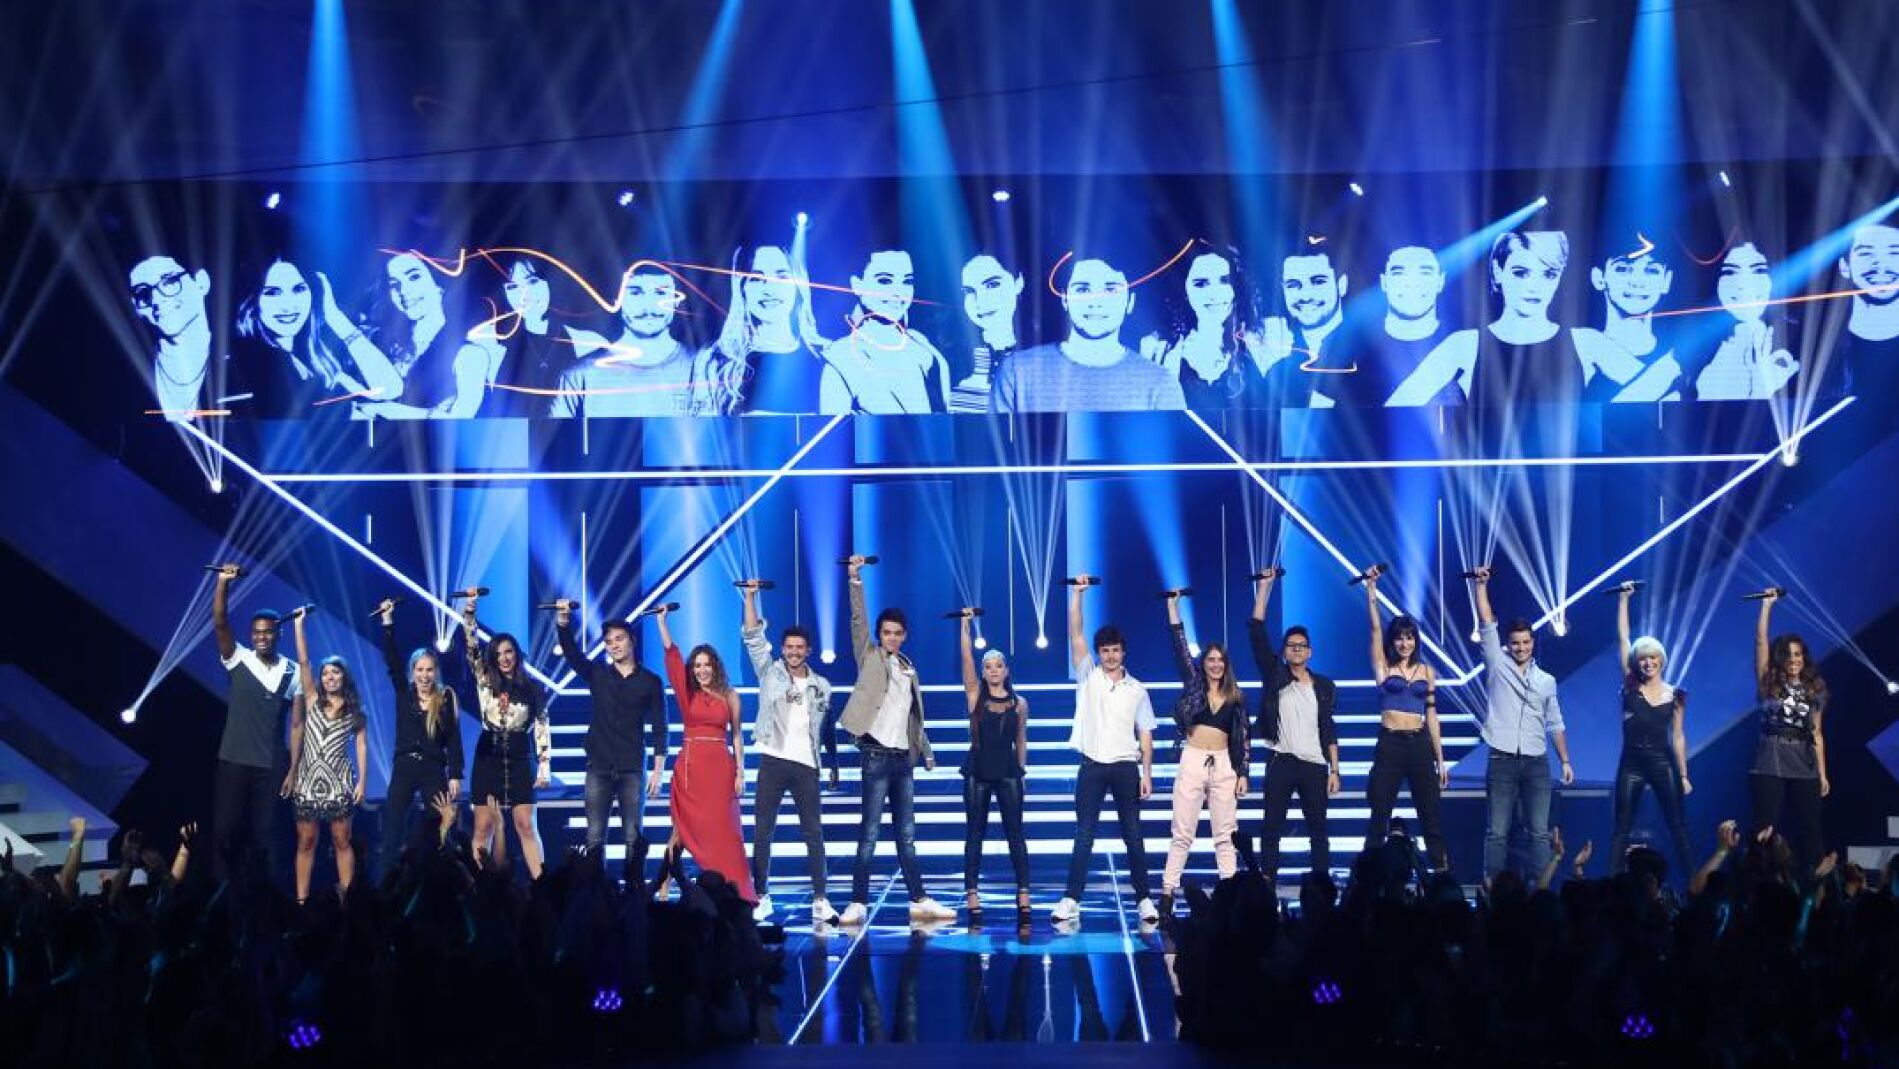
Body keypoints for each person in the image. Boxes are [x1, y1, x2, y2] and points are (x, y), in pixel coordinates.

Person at [834, 557, 954, 924]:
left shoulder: (908, 667)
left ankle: (918, 898)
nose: (892, 637)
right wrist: (854, 579)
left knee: (907, 834)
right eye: (886, 632)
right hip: (875, 756)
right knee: (869, 833)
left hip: (903, 759)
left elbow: (913, 716)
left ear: (904, 635)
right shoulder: (869, 657)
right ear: (879, 634)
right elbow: (857, 620)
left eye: (897, 633)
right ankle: (858, 902)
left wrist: (926, 752)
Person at [1051, 576, 1159, 925]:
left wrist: (1147, 774)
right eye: (1105, 651)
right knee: (1084, 835)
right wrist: (1077, 595)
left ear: (1124, 652)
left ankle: (1144, 899)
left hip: (1126, 767)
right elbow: (1075, 633)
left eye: (1115, 650)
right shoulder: (1089, 676)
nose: (1110, 656)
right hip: (1092, 766)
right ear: (1099, 654)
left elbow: (1146, 732)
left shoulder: (1137, 689)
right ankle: (1071, 899)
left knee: (1133, 836)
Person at [1388, 231, 1580, 408]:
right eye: (1521, 273)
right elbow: (1401, 401)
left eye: (1549, 274)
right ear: (1498, 271)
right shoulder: (1464, 344)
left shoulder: (1582, 341)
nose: (1534, 287)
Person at [739, 581, 838, 923]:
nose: (794, 652)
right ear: (782, 649)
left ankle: (820, 900)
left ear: (808, 650)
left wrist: (833, 764)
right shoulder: (770, 673)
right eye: (789, 647)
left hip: (807, 765)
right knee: (763, 832)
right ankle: (762, 896)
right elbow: (753, 637)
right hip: (773, 761)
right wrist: (750, 597)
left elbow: (827, 728)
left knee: (814, 834)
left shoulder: (821, 685)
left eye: (800, 647)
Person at [1467, 566, 1573, 882]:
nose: (1521, 648)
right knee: (1497, 831)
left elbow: (1555, 722)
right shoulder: (1497, 664)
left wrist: (1565, 760)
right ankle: (1493, 891)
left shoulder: (1546, 681)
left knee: (1539, 831)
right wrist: (1481, 587)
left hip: (1536, 761)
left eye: (1525, 642)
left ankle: (1540, 890)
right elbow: (1487, 623)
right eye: (1515, 643)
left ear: (1533, 642)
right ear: (1508, 644)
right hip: (1502, 758)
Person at [554, 600, 666, 880]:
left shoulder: (650, 682)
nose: (614, 645)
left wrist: (658, 769)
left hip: (632, 767)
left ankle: (633, 892)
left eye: (619, 639)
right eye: (608, 641)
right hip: (599, 765)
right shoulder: (598, 674)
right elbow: (572, 655)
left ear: (631, 640)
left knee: (633, 836)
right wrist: (563, 623)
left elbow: (659, 727)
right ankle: (596, 894)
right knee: (594, 836)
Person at [990, 254, 1186, 414]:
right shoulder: (1016, 372)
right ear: (1065, 299)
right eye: (1083, 289)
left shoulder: (1160, 383)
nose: (1096, 301)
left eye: (1110, 289)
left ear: (1130, 302)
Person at [652, 607, 756, 901]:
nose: (702, 670)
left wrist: (741, 772)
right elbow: (673, 658)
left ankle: (733, 890)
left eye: (707, 664)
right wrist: (662, 622)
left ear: (715, 666)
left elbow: (737, 736)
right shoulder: (687, 693)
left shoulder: (730, 696)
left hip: (721, 770)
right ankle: (662, 888)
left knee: (727, 831)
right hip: (691, 769)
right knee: (680, 832)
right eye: (697, 665)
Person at [1158, 591, 1247, 919]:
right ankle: (1167, 893)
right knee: (1182, 832)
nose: (1215, 664)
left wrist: (1243, 771)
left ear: (1226, 664)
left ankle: (1230, 895)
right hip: (1194, 759)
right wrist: (1173, 608)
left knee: (1225, 834)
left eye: (1220, 660)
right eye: (1210, 659)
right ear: (1204, 663)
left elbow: (1243, 737)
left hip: (1224, 764)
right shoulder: (1194, 684)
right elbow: (1179, 647)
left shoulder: (1236, 696)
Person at [209, 563, 300, 879]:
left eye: (268, 632)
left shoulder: (292, 672)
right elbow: (220, 622)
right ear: (251, 635)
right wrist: (223, 583)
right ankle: (223, 892)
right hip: (233, 760)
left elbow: (297, 725)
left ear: (278, 634)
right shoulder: (238, 658)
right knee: (225, 831)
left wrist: (294, 768)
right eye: (257, 632)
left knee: (266, 836)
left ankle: (264, 894)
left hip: (270, 765)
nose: (262, 637)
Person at [1248, 571, 1340, 883]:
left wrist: (1335, 770)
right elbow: (1257, 633)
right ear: (1284, 651)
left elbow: (1328, 728)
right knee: (1271, 827)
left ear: (1310, 651)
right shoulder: (1276, 675)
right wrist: (1265, 588)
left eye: (1302, 646)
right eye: (1291, 645)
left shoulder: (1324, 686)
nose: (1296, 649)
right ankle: (1267, 884)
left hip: (1314, 764)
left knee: (1319, 830)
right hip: (1282, 761)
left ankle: (1322, 886)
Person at [230, 256, 403, 417]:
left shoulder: (316, 357)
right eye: (273, 293)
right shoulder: (249, 366)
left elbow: (389, 389)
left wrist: (335, 317)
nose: (289, 305)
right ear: (253, 299)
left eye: (299, 289)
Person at [1359, 566, 1449, 871]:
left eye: (1409, 638)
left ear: (1416, 641)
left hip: (1420, 745)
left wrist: (1440, 758)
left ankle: (1441, 876)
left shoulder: (1427, 672)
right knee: (1379, 814)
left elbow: (1432, 715)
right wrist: (1371, 590)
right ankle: (1369, 879)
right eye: (1399, 638)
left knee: (1430, 815)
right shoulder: (1384, 667)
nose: (1404, 643)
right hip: (1391, 745)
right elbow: (1374, 630)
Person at [459, 594, 551, 878]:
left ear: (516, 654)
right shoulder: (485, 679)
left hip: (521, 753)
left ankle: (541, 885)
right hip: (489, 754)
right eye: (498, 654)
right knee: (483, 826)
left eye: (508, 652)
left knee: (526, 824)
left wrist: (544, 765)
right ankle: (480, 885)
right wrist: (470, 613)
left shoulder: (533, 688)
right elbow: (471, 646)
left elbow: (542, 724)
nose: (504, 658)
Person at [1609, 583, 1693, 879]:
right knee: (1622, 827)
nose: (1648, 662)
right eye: (1642, 658)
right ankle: (1611, 884)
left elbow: (1678, 736)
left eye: (1652, 658)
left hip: (1662, 761)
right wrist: (1624, 600)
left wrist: (1683, 775)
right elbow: (1623, 638)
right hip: (1631, 763)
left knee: (1677, 825)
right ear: (1637, 662)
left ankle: (1693, 882)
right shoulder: (1630, 687)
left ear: (1661, 660)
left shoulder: (1676, 695)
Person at [282, 609, 367, 903]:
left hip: (338, 782)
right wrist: (299, 625)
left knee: (341, 840)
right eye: (326, 673)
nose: (330, 677)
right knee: (306, 841)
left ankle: (348, 901)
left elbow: (361, 746)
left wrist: (362, 782)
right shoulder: (312, 699)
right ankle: (302, 902)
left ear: (344, 676)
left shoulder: (355, 711)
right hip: (308, 780)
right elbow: (304, 661)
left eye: (335, 672)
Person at [376, 599, 465, 878]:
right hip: (404, 766)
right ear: (412, 672)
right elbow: (392, 661)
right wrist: (388, 623)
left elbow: (453, 738)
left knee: (441, 823)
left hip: (433, 767)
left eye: (429, 670)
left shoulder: (446, 698)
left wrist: (455, 774)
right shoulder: (405, 693)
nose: (425, 675)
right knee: (393, 827)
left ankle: (442, 879)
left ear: (436, 672)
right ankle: (386, 885)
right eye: (420, 670)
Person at [955, 609, 1032, 924]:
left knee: (1016, 833)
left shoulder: (1020, 704)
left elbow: (1021, 740)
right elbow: (966, 659)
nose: (993, 670)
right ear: (983, 672)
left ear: (1006, 670)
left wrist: (1022, 772)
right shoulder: (974, 695)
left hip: (1008, 771)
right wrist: (965, 627)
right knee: (975, 833)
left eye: (998, 665)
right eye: (988, 666)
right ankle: (972, 892)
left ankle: (1023, 891)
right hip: (978, 770)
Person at [1749, 590, 1830, 878]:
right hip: (1770, 759)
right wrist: (1766, 606)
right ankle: (1761, 885)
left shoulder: (1815, 689)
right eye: (1788, 654)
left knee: (1811, 831)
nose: (1794, 659)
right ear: (1779, 657)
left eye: (1798, 654)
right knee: (1765, 829)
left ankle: (1817, 890)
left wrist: (1822, 774)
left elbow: (1817, 733)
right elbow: (1761, 641)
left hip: (1803, 762)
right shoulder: (1768, 682)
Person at [696, 243, 830, 415]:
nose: (769, 289)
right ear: (742, 288)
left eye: (781, 277)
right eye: (756, 279)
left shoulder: (827, 356)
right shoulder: (716, 361)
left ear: (798, 285)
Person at [552, 263, 699, 418]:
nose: (649, 307)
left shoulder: (703, 370)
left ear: (676, 300)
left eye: (661, 293)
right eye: (635, 293)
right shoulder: (580, 375)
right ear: (617, 299)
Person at [818, 247, 952, 414]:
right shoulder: (840, 358)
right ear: (857, 285)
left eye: (907, 281)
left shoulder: (921, 345)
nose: (898, 292)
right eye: (884, 281)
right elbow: (832, 425)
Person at [442, 256, 577, 418]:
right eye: (512, 286)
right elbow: (462, 408)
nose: (524, 295)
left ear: (549, 282)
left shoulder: (583, 341)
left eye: (532, 281)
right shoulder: (486, 343)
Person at [357, 251, 487, 418]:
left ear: (438, 284)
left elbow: (461, 417)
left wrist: (386, 409)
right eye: (394, 285)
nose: (403, 291)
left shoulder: (469, 355)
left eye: (414, 277)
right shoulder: (384, 347)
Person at [1142, 243, 1271, 410]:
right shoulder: (1157, 349)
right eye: (1201, 284)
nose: (1214, 294)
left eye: (1224, 281)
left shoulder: (1265, 341)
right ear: (1184, 290)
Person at [1569, 241, 1680, 403]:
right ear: (1599, 278)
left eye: (1651, 271)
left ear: (1666, 281)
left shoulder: (1680, 355)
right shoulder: (1581, 343)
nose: (1637, 282)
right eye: (1622, 269)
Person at [1694, 241, 1801, 401]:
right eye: (1730, 272)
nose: (1743, 284)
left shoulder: (1797, 339)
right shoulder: (1698, 345)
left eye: (1758, 270)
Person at [129, 254, 216, 420]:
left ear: (201, 283)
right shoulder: (131, 373)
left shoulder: (243, 365)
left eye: (169, 282)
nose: (156, 299)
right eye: (143, 293)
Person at [1263, 250, 1349, 407]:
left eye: (1318, 282)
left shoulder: (1371, 354)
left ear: (1341, 285)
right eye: (1293, 285)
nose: (1306, 296)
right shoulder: (1278, 374)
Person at [951, 253, 1026, 413]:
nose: (980, 301)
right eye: (969, 291)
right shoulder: (959, 379)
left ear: (1018, 282)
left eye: (992, 285)